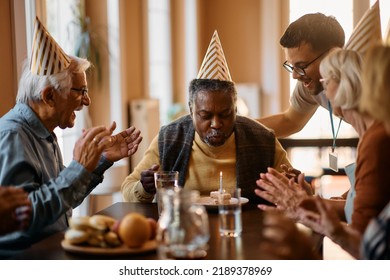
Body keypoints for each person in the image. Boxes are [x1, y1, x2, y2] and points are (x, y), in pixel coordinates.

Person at [0, 17, 142, 254]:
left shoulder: (44, 133)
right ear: (49, 97)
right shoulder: (13, 136)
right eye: (81, 91)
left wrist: (98, 162)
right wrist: (79, 167)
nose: (87, 101)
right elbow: (24, 218)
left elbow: (62, 199)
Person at [121, 31, 291, 204]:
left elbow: (292, 190)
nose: (216, 124)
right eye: (205, 115)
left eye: (225, 114)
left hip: (241, 226)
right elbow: (128, 189)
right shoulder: (169, 138)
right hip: (185, 226)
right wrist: (144, 187)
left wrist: (293, 186)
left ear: (236, 109)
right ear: (191, 110)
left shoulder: (263, 139)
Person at [259, 45, 390, 260]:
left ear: (347, 85)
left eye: (327, 80)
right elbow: (357, 210)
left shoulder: (377, 140)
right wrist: (308, 203)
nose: (323, 86)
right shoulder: (372, 136)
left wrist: (325, 229)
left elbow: (363, 244)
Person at [258, 13, 345, 137]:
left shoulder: (370, 80)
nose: (295, 75)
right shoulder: (310, 82)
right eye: (292, 66)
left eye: (302, 65)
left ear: (333, 55)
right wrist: (235, 128)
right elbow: (290, 121)